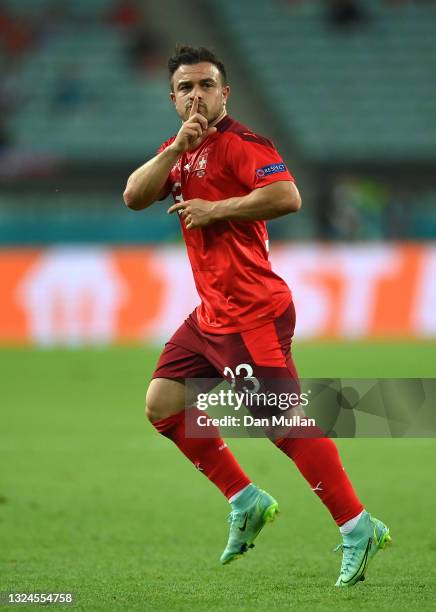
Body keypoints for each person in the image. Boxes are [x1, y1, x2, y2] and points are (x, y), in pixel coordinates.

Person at [123, 45, 390, 587]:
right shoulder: (182, 150)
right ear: (172, 98)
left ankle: (358, 527)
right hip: (211, 314)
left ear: (225, 92)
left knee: (283, 424)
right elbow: (133, 196)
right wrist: (174, 150)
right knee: (163, 403)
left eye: (206, 86)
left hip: (253, 313)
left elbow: (287, 196)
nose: (196, 96)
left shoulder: (245, 145)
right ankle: (246, 499)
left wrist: (215, 209)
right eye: (185, 88)